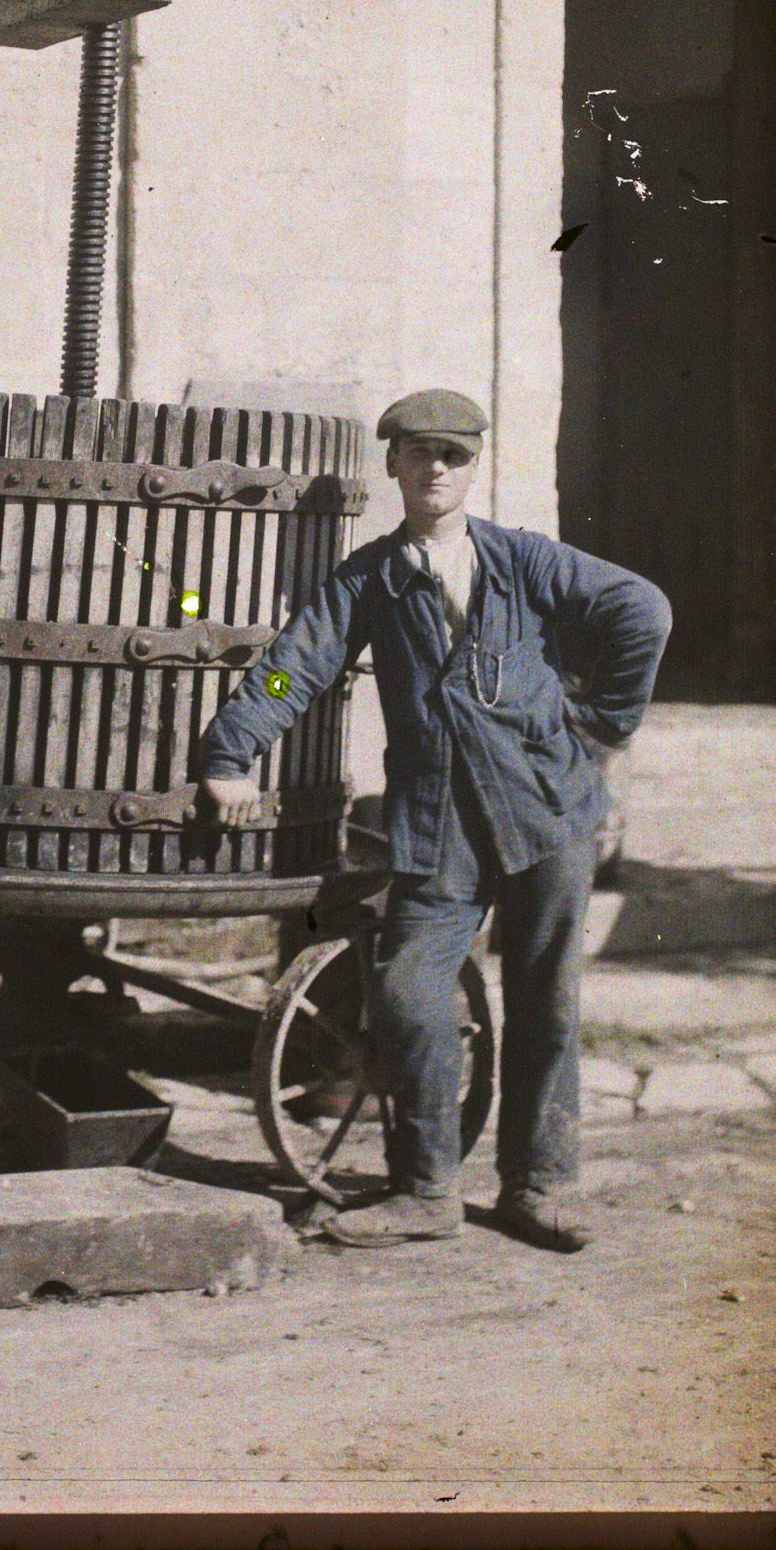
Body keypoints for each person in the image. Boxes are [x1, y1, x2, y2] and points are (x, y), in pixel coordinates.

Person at [198, 389, 671, 1252]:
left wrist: (603, 724)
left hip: (545, 811)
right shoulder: (368, 578)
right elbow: (290, 668)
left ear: (472, 466)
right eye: (419, 454)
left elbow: (643, 609)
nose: (436, 470)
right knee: (411, 997)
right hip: (436, 824)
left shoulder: (523, 560)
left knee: (546, 1005)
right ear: (393, 467)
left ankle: (541, 1185)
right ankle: (424, 1190)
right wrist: (230, 754)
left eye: (452, 456)